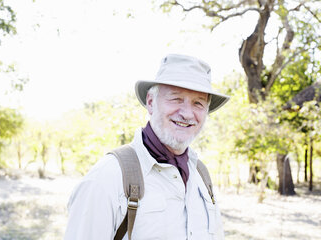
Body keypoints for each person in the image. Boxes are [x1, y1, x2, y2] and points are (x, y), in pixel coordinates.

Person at [64, 54, 230, 240]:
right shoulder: (108, 177)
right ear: (151, 102)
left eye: (198, 103)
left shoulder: (201, 174)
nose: (187, 114)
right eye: (176, 99)